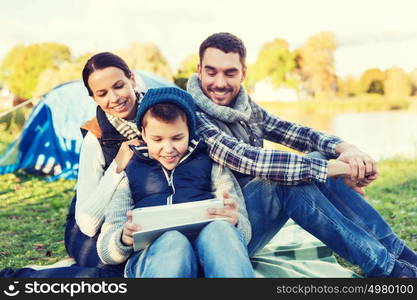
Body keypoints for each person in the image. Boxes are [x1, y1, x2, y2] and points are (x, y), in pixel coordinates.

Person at [185, 32, 417, 277]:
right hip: (223, 235)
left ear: (243, 73)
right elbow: (246, 158)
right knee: (283, 180)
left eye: (230, 73)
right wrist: (337, 169)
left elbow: (296, 133)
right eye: (211, 72)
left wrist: (348, 150)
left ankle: (401, 255)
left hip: (253, 221)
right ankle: (389, 270)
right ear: (199, 70)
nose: (220, 82)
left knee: (317, 158)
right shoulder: (191, 115)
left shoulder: (244, 107)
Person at [1, 52, 153, 277]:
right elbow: (87, 222)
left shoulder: (161, 115)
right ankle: (22, 279)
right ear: (94, 98)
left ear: (132, 79)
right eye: (102, 93)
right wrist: (117, 167)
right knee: (123, 274)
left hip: (136, 223)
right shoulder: (96, 135)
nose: (114, 98)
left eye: (119, 86)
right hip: (89, 231)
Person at [96, 87, 254, 278]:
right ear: (144, 135)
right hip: (155, 258)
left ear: (190, 132)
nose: (168, 149)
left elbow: (244, 233)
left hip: (207, 254)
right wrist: (123, 238)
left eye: (177, 138)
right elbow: (106, 251)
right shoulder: (129, 173)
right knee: (173, 240)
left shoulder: (211, 165)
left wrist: (234, 221)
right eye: (157, 139)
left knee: (220, 229)